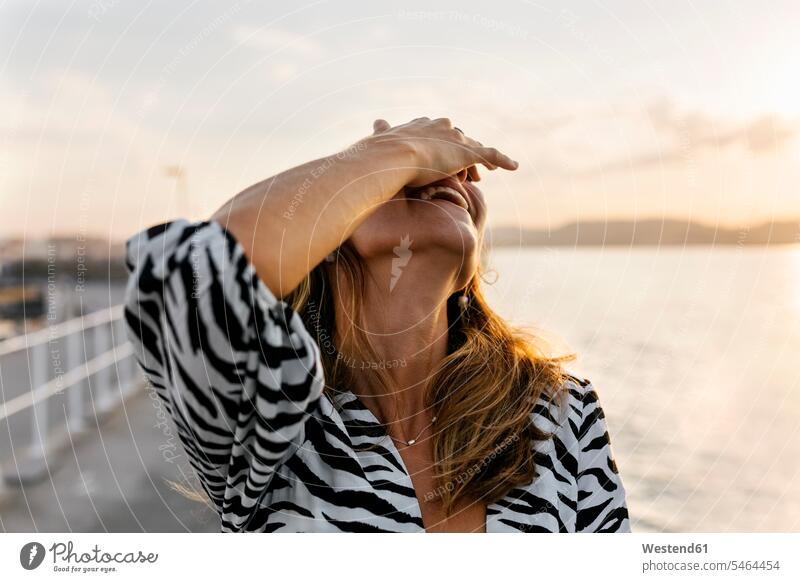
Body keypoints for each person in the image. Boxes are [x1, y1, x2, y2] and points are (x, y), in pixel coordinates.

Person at [123, 116, 630, 532]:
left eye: (455, 174)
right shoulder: (274, 421)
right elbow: (184, 279)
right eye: (398, 178)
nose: (448, 176)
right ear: (318, 242)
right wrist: (395, 150)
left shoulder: (558, 411)